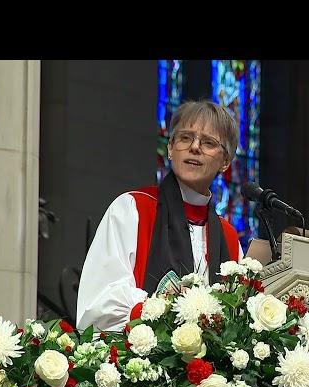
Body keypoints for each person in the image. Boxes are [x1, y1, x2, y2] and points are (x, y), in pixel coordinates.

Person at [76, 100, 244, 332]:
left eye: (208, 142)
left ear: (225, 162)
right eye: (185, 138)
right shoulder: (132, 209)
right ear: (170, 148)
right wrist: (165, 307)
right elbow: (100, 301)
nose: (194, 147)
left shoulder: (228, 238)